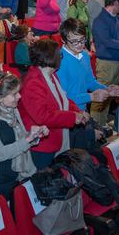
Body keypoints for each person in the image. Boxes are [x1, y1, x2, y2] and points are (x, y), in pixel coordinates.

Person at [17, 38, 89, 169]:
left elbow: (63, 100)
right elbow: (42, 116)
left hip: (56, 138)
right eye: (59, 54)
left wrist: (78, 111)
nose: (61, 57)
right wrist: (73, 117)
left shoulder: (51, 75)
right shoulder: (33, 82)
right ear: (50, 57)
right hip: (43, 145)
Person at [0, 72, 44, 200]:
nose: (19, 96)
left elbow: (21, 139)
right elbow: (0, 154)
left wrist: (34, 135)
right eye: (14, 94)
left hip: (17, 176)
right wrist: (27, 140)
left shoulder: (11, 110)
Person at [58, 18, 119, 114]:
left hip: (82, 110)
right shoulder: (59, 61)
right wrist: (91, 97)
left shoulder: (84, 55)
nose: (79, 45)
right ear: (63, 39)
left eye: (82, 40)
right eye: (74, 41)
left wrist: (107, 90)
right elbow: (63, 97)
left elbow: (90, 82)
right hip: (67, 113)